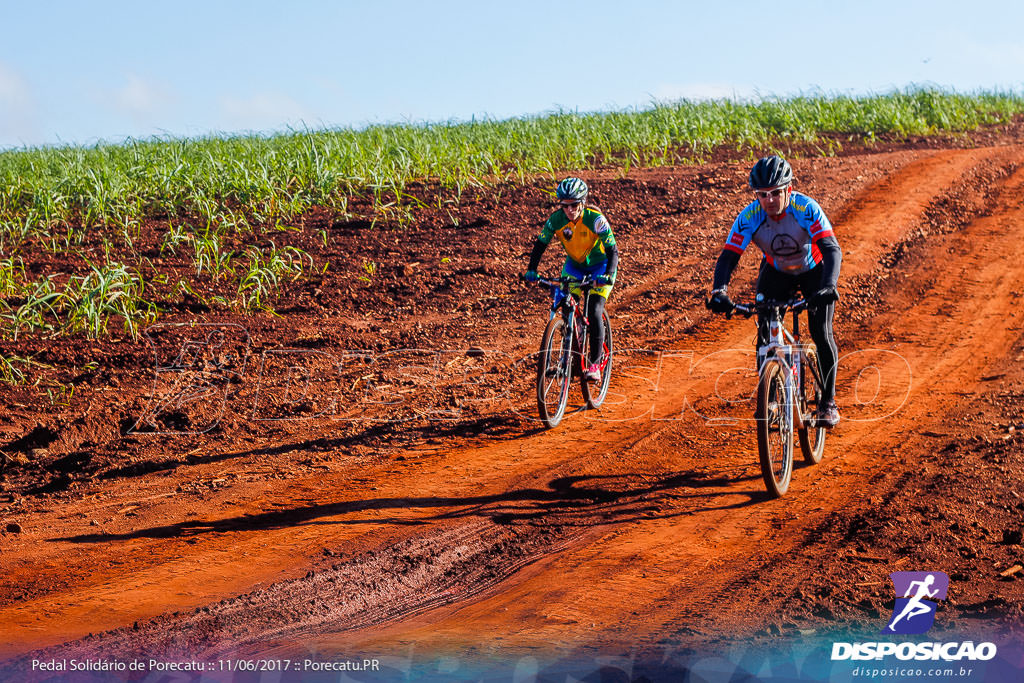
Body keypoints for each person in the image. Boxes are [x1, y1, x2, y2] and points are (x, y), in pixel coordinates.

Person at [706, 155, 842, 427]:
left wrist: (828, 286)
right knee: (766, 329)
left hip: (814, 270)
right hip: (777, 271)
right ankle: (769, 395)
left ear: (788, 190)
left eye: (776, 193)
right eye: (762, 194)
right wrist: (719, 290)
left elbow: (831, 249)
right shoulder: (749, 217)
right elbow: (728, 258)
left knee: (821, 333)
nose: (769, 200)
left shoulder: (806, 209)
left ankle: (828, 402)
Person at [524, 177, 619, 382]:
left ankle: (594, 363)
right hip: (574, 266)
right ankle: (568, 353)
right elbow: (540, 245)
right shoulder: (555, 220)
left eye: (574, 205)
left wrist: (609, 275)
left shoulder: (596, 220)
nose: (570, 210)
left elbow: (612, 250)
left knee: (594, 309)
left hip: (600, 266)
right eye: (565, 206)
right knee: (567, 307)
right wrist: (532, 269)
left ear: (583, 202)